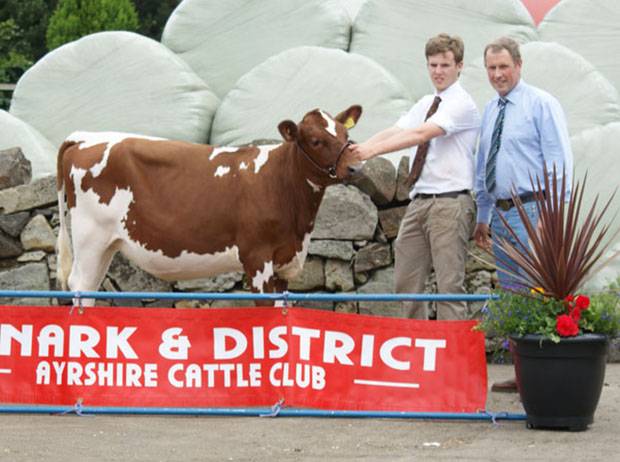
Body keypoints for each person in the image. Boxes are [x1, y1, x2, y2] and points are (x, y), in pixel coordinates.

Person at [351, 33, 480, 320]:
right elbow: (398, 130)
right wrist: (359, 147)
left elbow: (421, 134)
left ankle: (452, 357)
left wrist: (370, 152)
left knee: (449, 286)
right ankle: (416, 352)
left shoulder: (461, 103)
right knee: (406, 283)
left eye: (445, 65)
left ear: (459, 66)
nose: (438, 71)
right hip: (419, 201)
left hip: (450, 203)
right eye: (433, 65)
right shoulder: (426, 102)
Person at [473, 37, 573, 391]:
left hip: (533, 209)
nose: (498, 74)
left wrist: (552, 215)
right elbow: (485, 163)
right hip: (501, 215)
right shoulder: (490, 110)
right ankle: (523, 374)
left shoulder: (541, 104)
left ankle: (545, 374)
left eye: (503, 67)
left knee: (538, 290)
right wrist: (483, 214)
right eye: (491, 68)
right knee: (514, 293)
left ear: (518, 65)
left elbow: (558, 160)